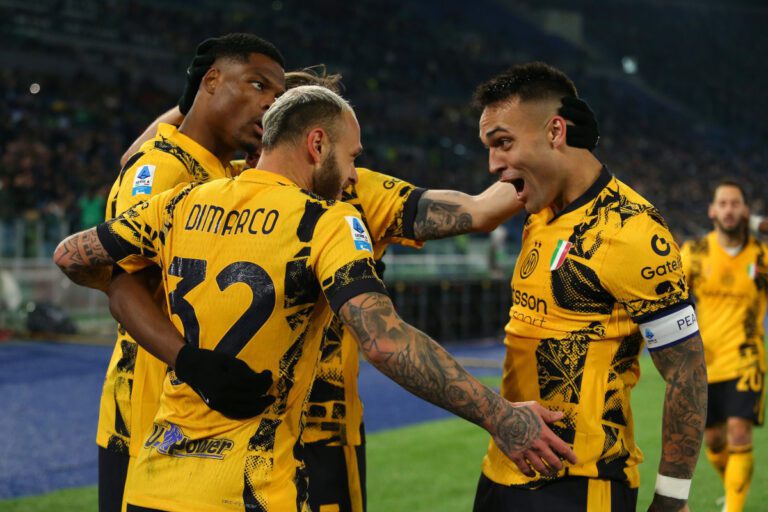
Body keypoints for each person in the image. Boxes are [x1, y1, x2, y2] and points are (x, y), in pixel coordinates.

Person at [54, 85, 576, 512]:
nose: (352, 174)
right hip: (253, 485)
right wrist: (500, 416)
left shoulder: (183, 201)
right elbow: (385, 342)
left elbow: (71, 256)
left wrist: (180, 348)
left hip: (156, 480)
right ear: (317, 144)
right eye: (351, 158)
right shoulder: (327, 220)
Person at [471, 62, 707, 512]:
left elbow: (686, 371)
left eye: (503, 143)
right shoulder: (537, 204)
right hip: (501, 470)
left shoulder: (633, 231)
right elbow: (469, 210)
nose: (493, 164)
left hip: (581, 485)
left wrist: (672, 498)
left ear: (556, 131)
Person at [95, 33, 286, 512]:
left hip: (194, 422)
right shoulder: (163, 169)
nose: (270, 104)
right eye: (258, 85)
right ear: (212, 80)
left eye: (279, 98)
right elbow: (123, 287)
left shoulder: (220, 173)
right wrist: (192, 363)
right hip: (146, 425)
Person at [680, 180, 767, 512]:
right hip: (706, 361)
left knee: (739, 432)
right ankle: (732, 489)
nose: (729, 209)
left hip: (746, 358)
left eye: (736, 204)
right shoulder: (696, 253)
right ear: (712, 211)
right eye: (723, 203)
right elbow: (669, 294)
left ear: (746, 211)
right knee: (714, 441)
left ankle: (733, 507)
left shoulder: (761, 256)